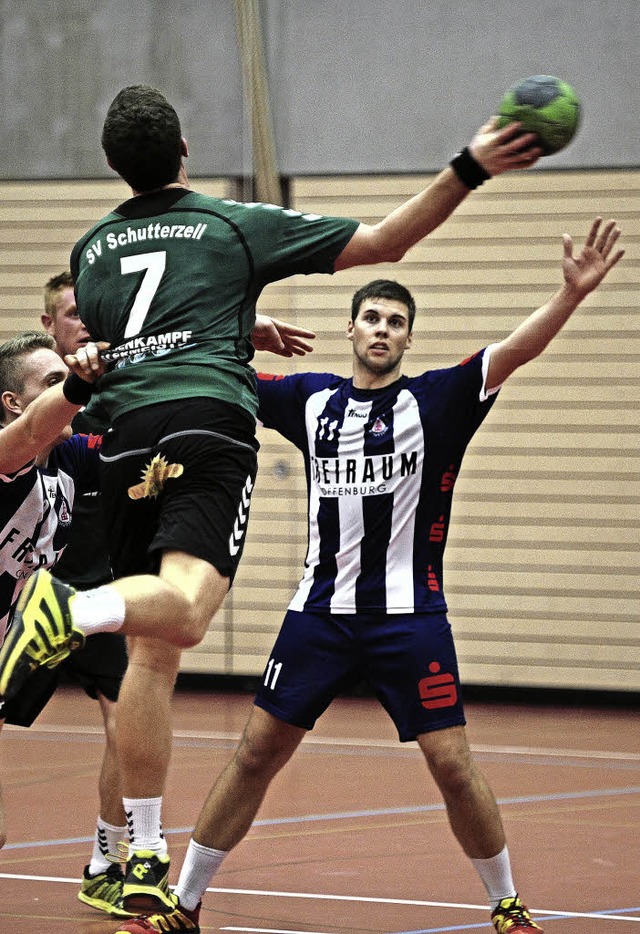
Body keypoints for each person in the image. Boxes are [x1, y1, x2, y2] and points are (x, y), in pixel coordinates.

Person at [0, 85, 542, 918]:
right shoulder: (227, 224)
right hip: (209, 425)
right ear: (184, 155)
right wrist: (472, 165)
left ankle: (142, 848)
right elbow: (388, 238)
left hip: (127, 436)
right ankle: (66, 611)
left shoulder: (95, 248)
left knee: (153, 650)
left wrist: (233, 327)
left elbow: (136, 341)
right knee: (181, 615)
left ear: (114, 165)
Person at [110, 216, 624, 934]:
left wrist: (570, 296)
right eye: (371, 318)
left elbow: (513, 352)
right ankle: (186, 903)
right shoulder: (312, 399)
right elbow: (215, 372)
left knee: (451, 763)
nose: (382, 330)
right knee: (257, 751)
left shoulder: (438, 401)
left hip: (411, 620)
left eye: (395, 322)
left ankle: (507, 905)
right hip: (319, 614)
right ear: (352, 330)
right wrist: (244, 333)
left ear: (408, 339)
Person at [40, 270, 132, 918]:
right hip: (28, 592)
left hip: (99, 592)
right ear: (50, 324)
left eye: (92, 311)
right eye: (72, 313)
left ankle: (108, 855)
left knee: (125, 725)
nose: (84, 322)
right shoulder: (31, 394)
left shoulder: (122, 396)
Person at [0, 332, 109, 849]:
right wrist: (79, 382)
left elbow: (139, 438)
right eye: (52, 382)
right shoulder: (6, 453)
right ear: (13, 404)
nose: (66, 389)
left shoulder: (71, 457)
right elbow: (27, 436)